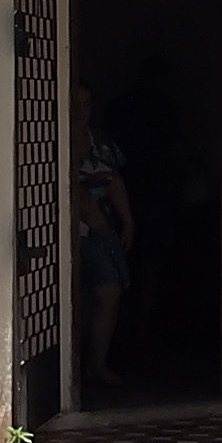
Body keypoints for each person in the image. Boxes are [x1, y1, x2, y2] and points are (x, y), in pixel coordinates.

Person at [73, 89, 134, 399]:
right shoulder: (51, 136)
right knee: (81, 295)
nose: (82, 110)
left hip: (102, 230)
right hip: (71, 231)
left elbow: (115, 180)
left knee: (110, 290)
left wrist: (127, 221)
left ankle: (95, 364)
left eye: (87, 103)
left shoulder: (103, 141)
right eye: (76, 103)